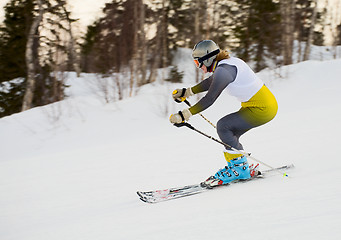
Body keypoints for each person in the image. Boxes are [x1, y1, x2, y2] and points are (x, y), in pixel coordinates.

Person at [169, 40, 278, 187]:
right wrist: (188, 92)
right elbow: (211, 82)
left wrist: (185, 114)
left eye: (197, 63)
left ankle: (240, 169)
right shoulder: (225, 65)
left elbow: (210, 98)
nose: (198, 67)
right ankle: (240, 167)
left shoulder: (224, 70)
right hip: (260, 105)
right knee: (229, 133)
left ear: (206, 60)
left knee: (224, 126)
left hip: (262, 108)